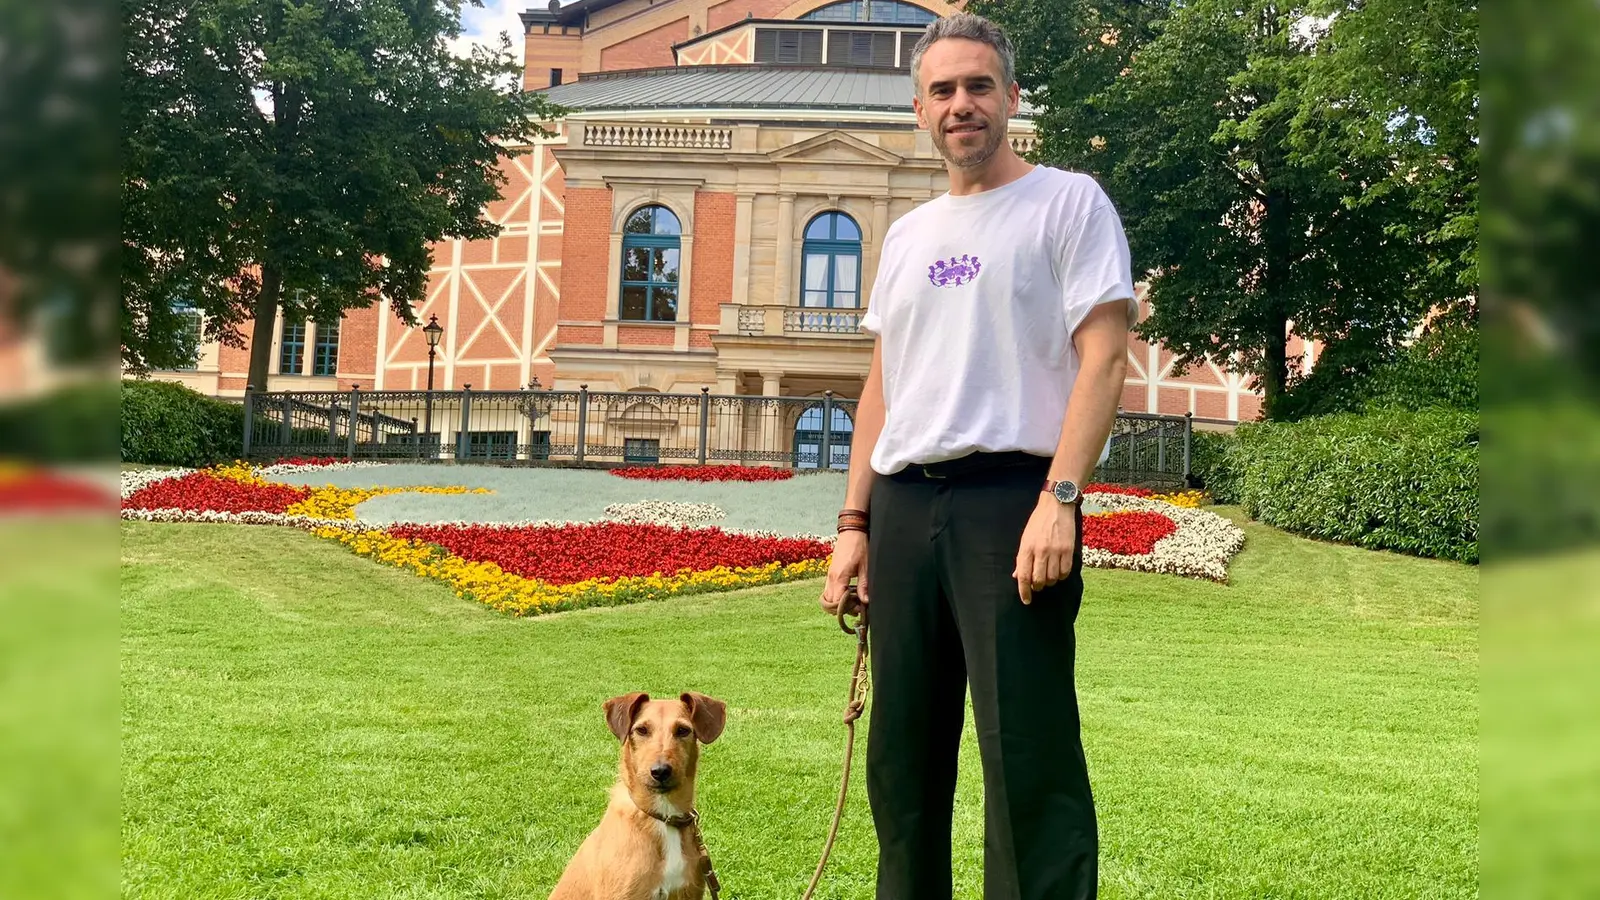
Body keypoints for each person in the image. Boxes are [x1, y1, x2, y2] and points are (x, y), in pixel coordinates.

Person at [819, 12, 1137, 900]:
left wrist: (1059, 500)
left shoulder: (1069, 203)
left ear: (1011, 97)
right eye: (943, 90)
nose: (962, 104)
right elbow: (882, 386)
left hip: (1014, 502)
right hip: (904, 506)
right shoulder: (908, 235)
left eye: (979, 85)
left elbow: (1105, 358)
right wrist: (854, 522)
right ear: (920, 109)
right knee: (902, 762)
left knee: (1027, 754)